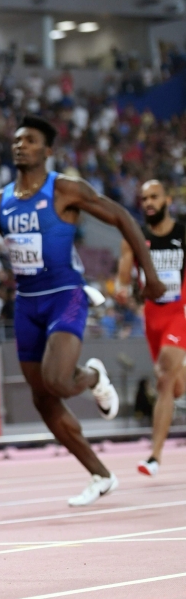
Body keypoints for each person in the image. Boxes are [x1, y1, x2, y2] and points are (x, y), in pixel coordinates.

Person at [0, 115, 165, 507]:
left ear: (48, 150)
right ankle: (100, 475)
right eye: (17, 140)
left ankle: (92, 376)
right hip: (26, 303)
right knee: (43, 398)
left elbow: (123, 217)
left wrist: (150, 274)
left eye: (31, 140)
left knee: (57, 380)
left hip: (66, 294)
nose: (21, 145)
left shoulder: (65, 190)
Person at [115, 180, 186, 477]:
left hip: (179, 313)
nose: (148, 203)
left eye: (154, 197)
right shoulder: (135, 236)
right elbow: (123, 273)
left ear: (167, 199)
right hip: (152, 320)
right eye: (144, 198)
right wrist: (121, 287)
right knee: (174, 386)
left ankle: (154, 456)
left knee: (164, 376)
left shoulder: (183, 232)